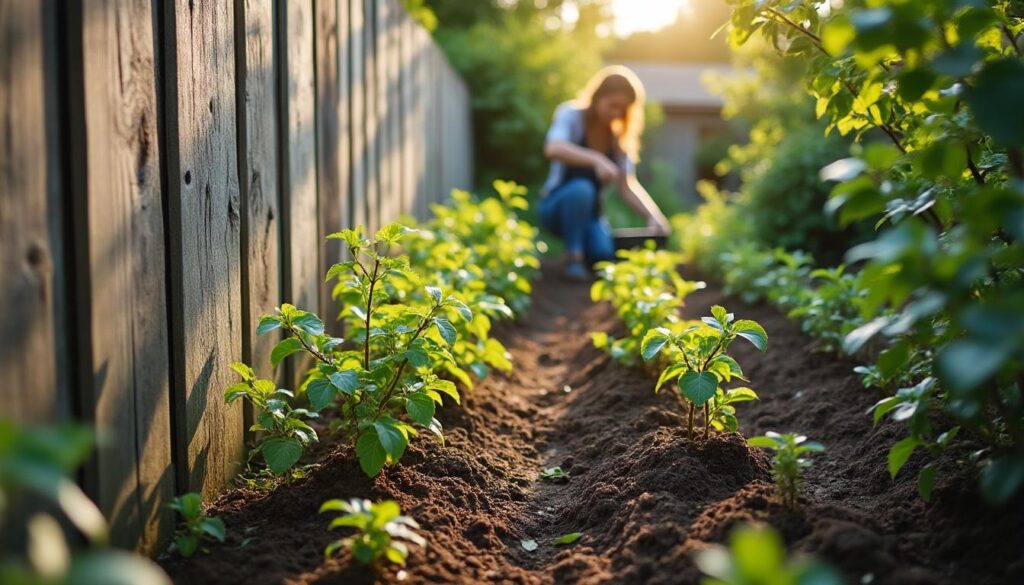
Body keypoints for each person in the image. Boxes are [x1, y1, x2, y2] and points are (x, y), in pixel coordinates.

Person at [540, 65, 671, 280]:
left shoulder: (618, 139)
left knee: (603, 256)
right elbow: (553, 147)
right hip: (555, 208)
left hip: (591, 215)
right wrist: (596, 159)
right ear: (597, 98)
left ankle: (583, 252)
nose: (616, 113)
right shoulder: (571, 115)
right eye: (612, 105)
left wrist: (653, 216)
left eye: (623, 108)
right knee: (582, 189)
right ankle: (573, 256)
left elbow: (626, 186)